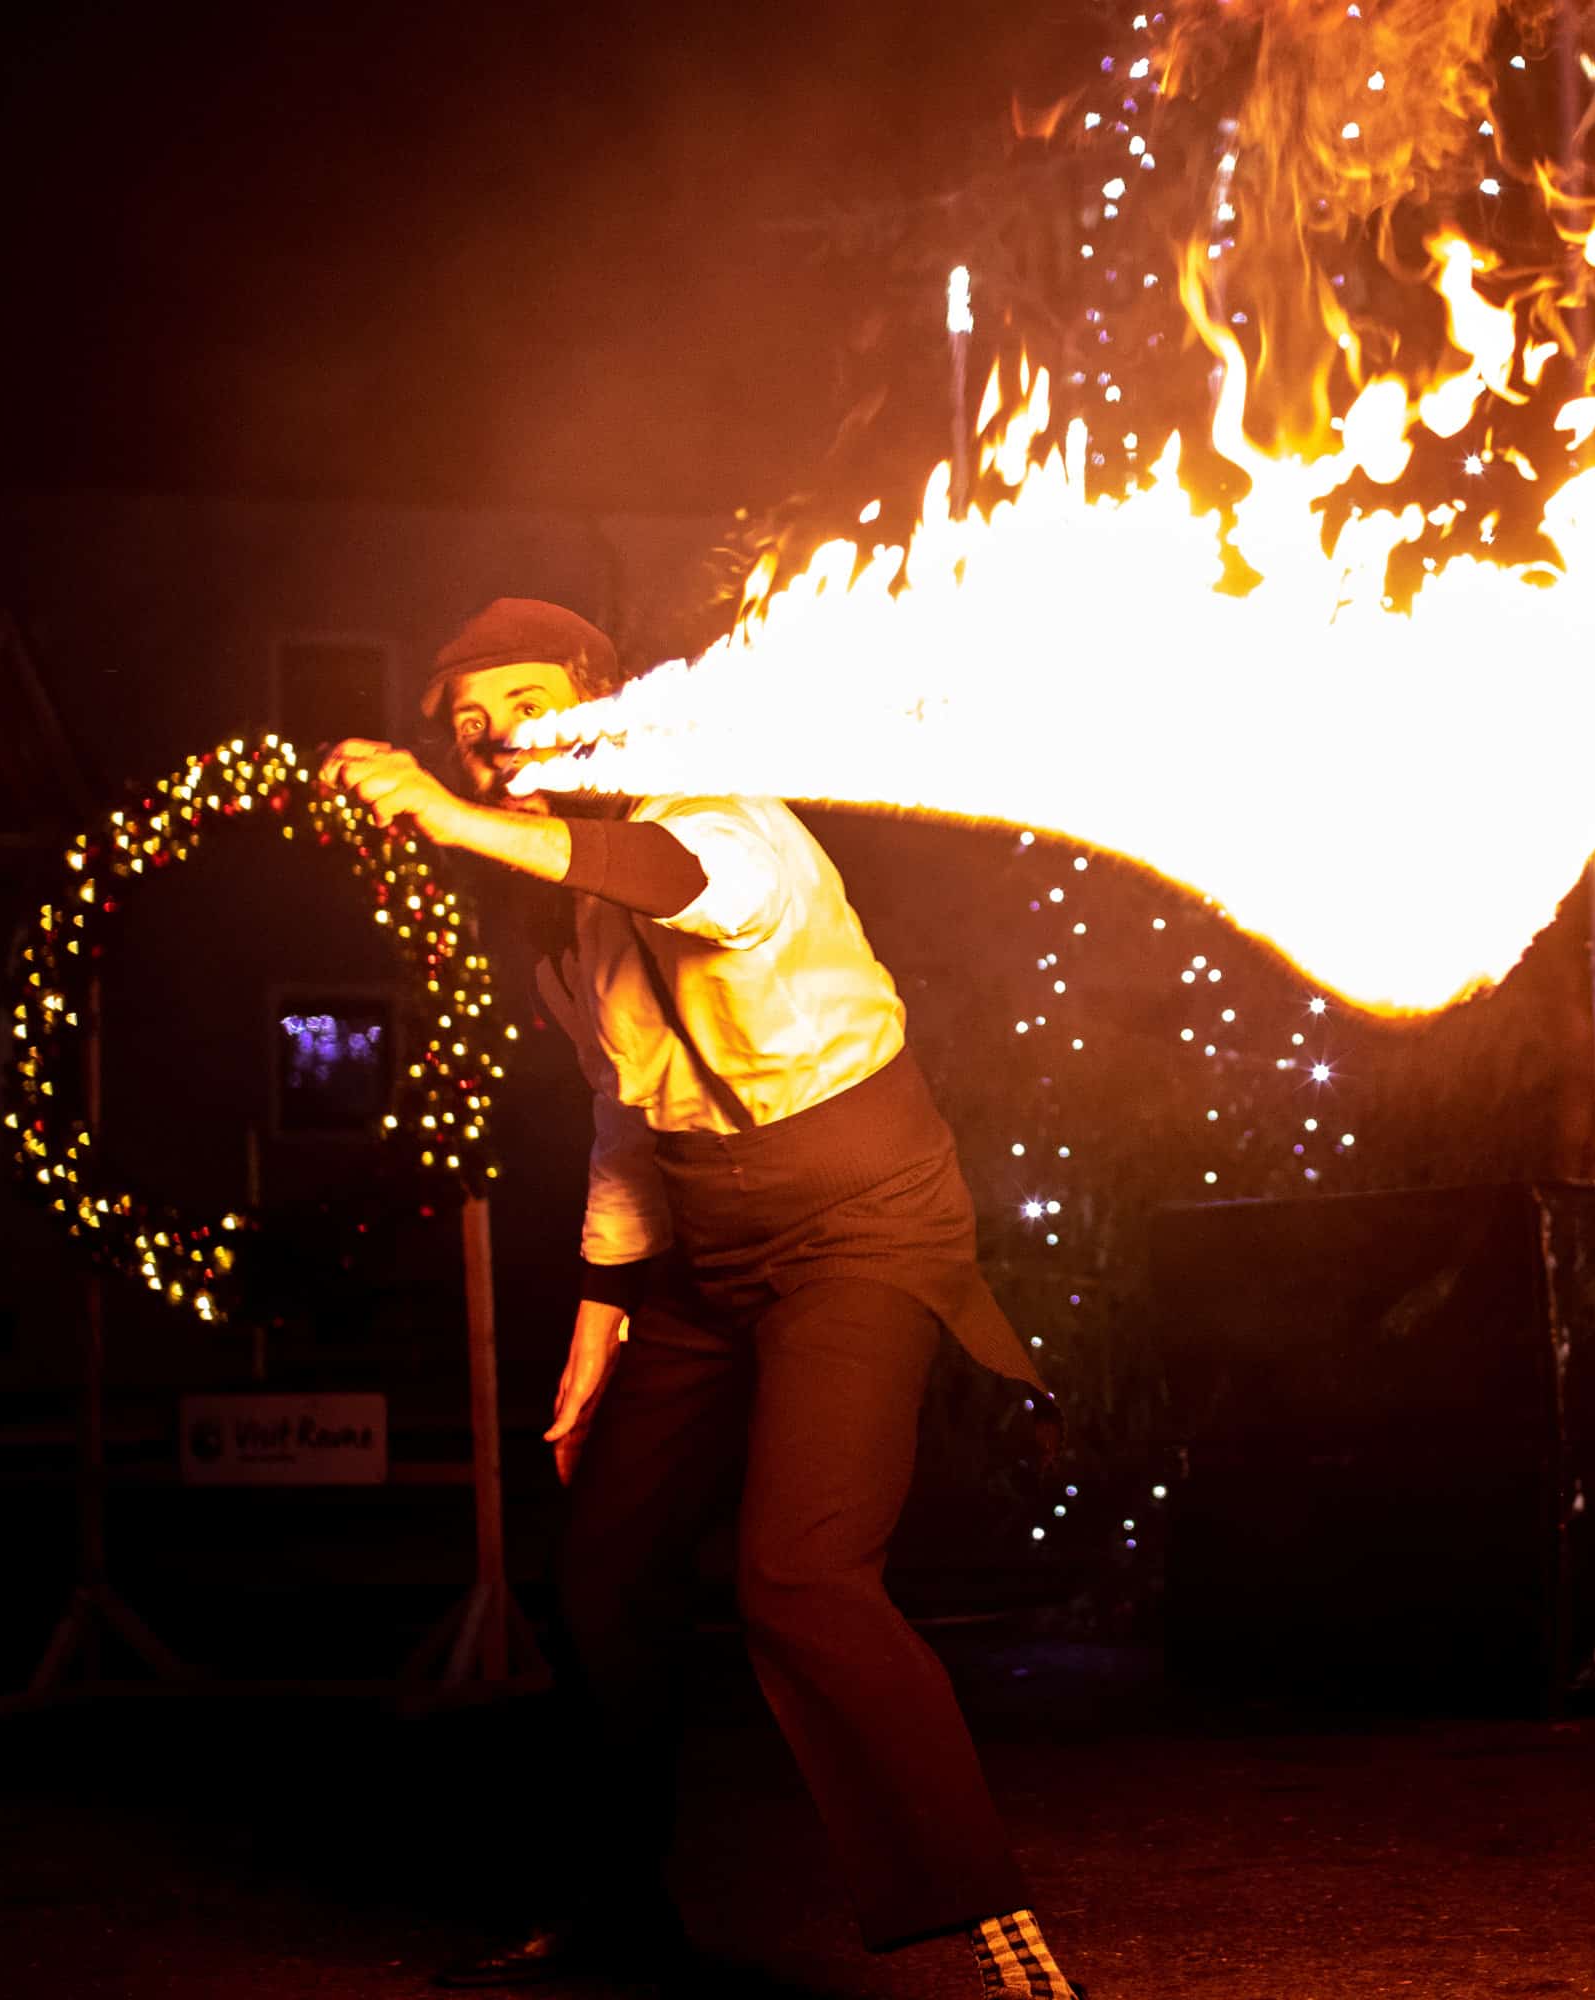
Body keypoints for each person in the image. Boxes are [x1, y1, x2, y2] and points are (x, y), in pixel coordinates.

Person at [321, 598, 1084, 2000]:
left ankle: (999, 1933)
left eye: (522, 701)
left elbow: (693, 885)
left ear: (600, 699)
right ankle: (616, 1905)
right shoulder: (571, 920)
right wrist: (599, 1324)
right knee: (602, 1571)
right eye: (467, 725)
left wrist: (446, 815)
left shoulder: (718, 815)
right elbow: (629, 1117)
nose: (491, 740)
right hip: (699, 1251)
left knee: (798, 1577)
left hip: (861, 1221)